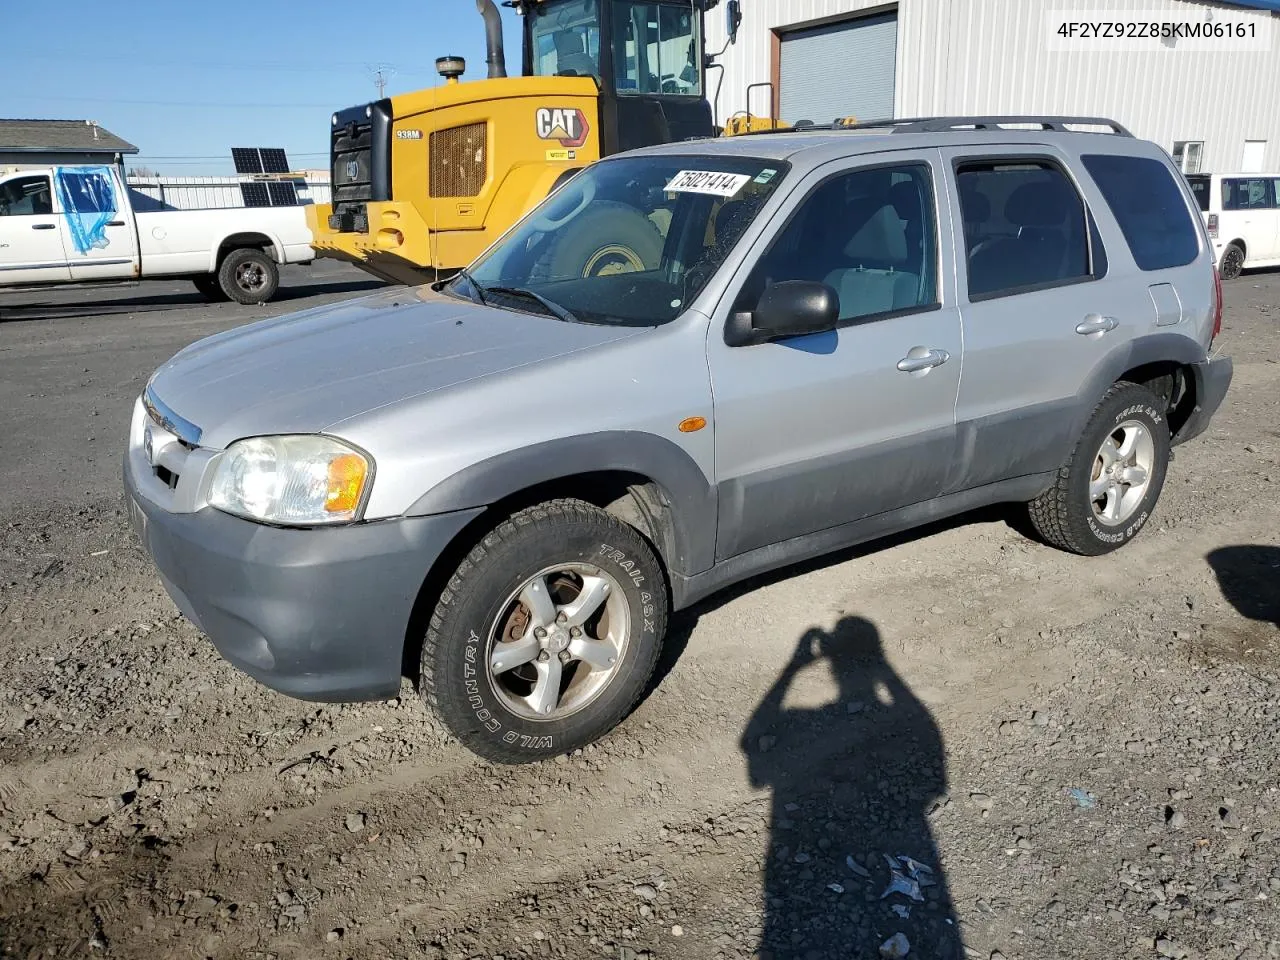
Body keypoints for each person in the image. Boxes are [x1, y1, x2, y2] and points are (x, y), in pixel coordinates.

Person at [742, 616, 963, 959]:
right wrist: (882, 666)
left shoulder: (806, 719)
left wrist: (794, 667)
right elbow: (926, 741)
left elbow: (753, 748)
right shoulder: (892, 718)